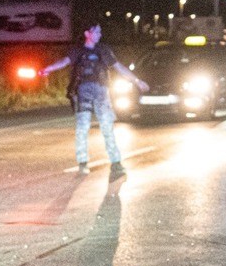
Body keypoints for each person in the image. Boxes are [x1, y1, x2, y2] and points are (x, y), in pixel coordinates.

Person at [40, 24, 148, 180]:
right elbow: (63, 62)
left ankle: (116, 162)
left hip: (102, 93)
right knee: (82, 128)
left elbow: (119, 67)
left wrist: (137, 81)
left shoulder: (103, 50)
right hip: (83, 93)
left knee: (107, 129)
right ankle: (83, 162)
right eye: (96, 31)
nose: (99, 34)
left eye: (100, 31)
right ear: (87, 33)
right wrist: (47, 69)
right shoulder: (77, 51)